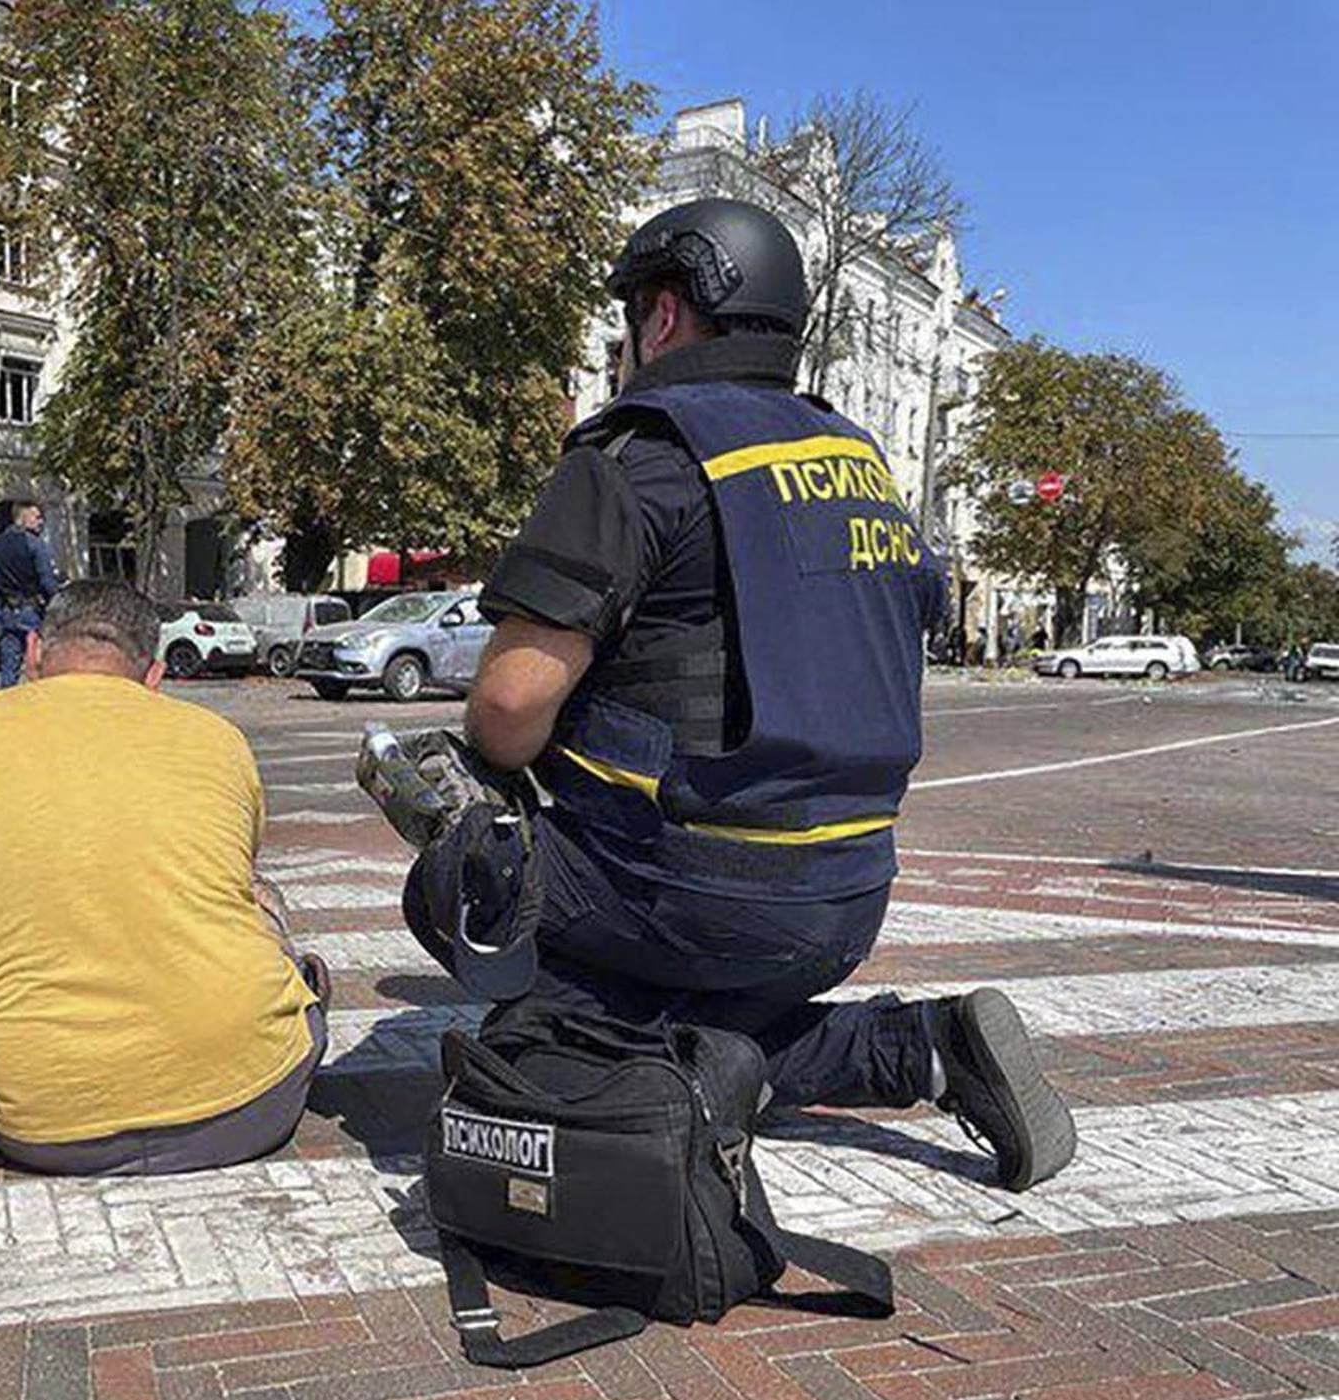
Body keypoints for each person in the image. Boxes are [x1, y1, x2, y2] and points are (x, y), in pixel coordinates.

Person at [412, 198, 1075, 1192]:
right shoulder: (860, 463)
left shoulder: (639, 458)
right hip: (851, 891)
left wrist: (493, 787)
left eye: (630, 321)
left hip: (699, 885)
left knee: (463, 874)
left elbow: (507, 709)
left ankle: (836, 1056)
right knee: (685, 985)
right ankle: (932, 1049)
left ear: (665, 314)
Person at [0, 581, 327, 1175]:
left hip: (39, 1125)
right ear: (154, 677)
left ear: (34, 653)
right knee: (260, 896)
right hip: (253, 1106)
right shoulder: (218, 739)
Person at [0, 500, 63, 687]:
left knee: (8, 672)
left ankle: (7, 702)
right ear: (22, 518)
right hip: (31, 612)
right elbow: (47, 583)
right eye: (37, 517)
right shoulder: (36, 545)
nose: (41, 522)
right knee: (37, 668)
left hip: (6, 614)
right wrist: (58, 605)